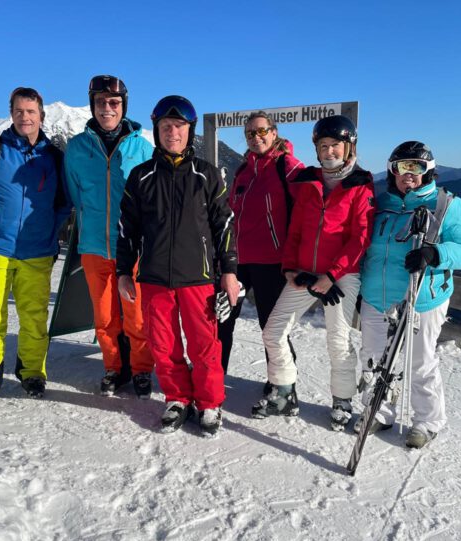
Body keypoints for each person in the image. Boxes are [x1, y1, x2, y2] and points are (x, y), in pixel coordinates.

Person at [116, 95, 239, 436]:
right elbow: (127, 228)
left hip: (198, 276)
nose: (173, 133)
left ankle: (209, 402)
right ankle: (177, 398)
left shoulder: (207, 175)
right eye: (166, 126)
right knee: (163, 343)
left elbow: (225, 225)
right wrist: (124, 271)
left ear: (190, 131)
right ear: (156, 130)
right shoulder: (141, 177)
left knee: (204, 345)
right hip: (154, 276)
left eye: (179, 127)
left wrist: (229, 271)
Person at [358, 141, 461, 448]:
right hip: (376, 295)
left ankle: (427, 421)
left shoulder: (446, 205)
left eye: (417, 167)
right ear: (392, 170)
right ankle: (379, 412)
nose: (408, 174)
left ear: (429, 171)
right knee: (373, 359)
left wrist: (434, 254)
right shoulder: (379, 203)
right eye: (402, 167)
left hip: (421, 297)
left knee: (420, 362)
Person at [258, 115, 375, 429]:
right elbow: (296, 231)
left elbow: (359, 237)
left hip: (341, 276)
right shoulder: (309, 183)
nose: (329, 151)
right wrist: (288, 268)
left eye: (335, 145)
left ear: (348, 147)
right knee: (273, 330)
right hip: (304, 273)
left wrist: (332, 275)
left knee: (338, 341)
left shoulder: (360, 185)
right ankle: (283, 394)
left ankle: (342, 401)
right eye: (323, 146)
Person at [0, 87, 71, 405]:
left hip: (37, 252)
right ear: (11, 114)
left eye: (31, 111)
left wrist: (51, 235)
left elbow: (63, 203)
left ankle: (32, 372)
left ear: (41, 116)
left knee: (35, 317)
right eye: (20, 111)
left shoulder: (54, 157)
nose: (25, 117)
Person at [64, 75, 154, 398]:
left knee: (137, 315)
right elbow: (75, 194)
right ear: (92, 105)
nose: (107, 109)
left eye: (113, 103)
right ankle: (114, 368)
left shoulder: (142, 148)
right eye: (100, 103)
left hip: (131, 248)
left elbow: (151, 199)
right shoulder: (76, 149)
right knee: (104, 317)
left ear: (124, 107)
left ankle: (142, 368)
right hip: (93, 246)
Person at [218, 111, 304, 385]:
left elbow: (312, 202)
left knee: (272, 327)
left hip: (271, 262)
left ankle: (281, 384)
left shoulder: (287, 166)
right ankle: (214, 378)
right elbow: (231, 211)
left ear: (274, 132)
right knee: (223, 321)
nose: (256, 138)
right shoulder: (244, 169)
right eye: (250, 134)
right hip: (238, 261)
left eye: (262, 131)